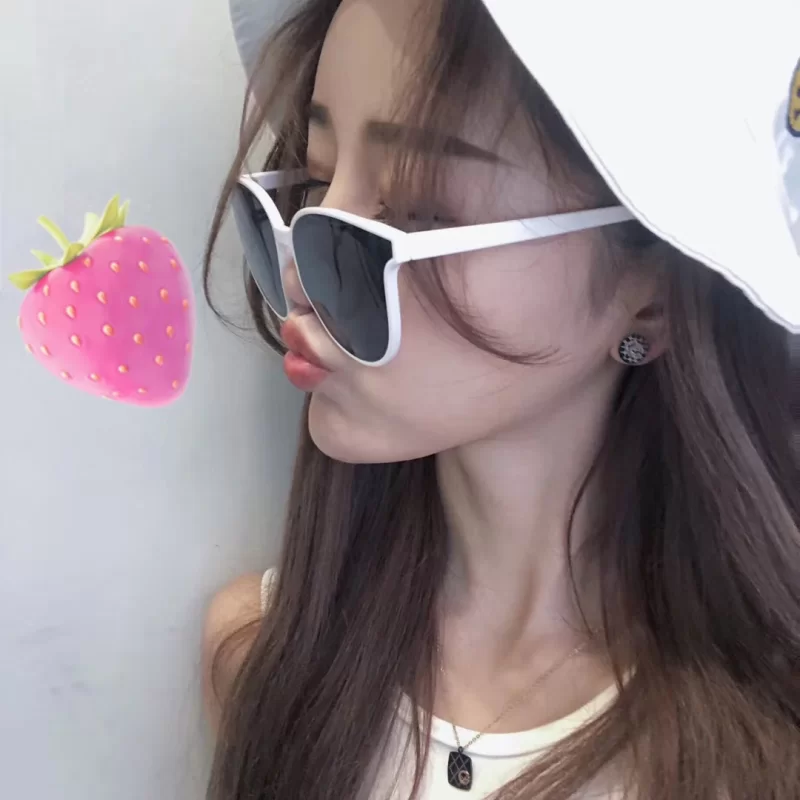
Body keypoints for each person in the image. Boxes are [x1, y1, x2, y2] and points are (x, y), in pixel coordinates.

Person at [201, 1, 800, 798]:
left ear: (651, 294)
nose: (298, 273)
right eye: (313, 180)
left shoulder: (753, 757)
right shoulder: (261, 660)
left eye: (414, 207)